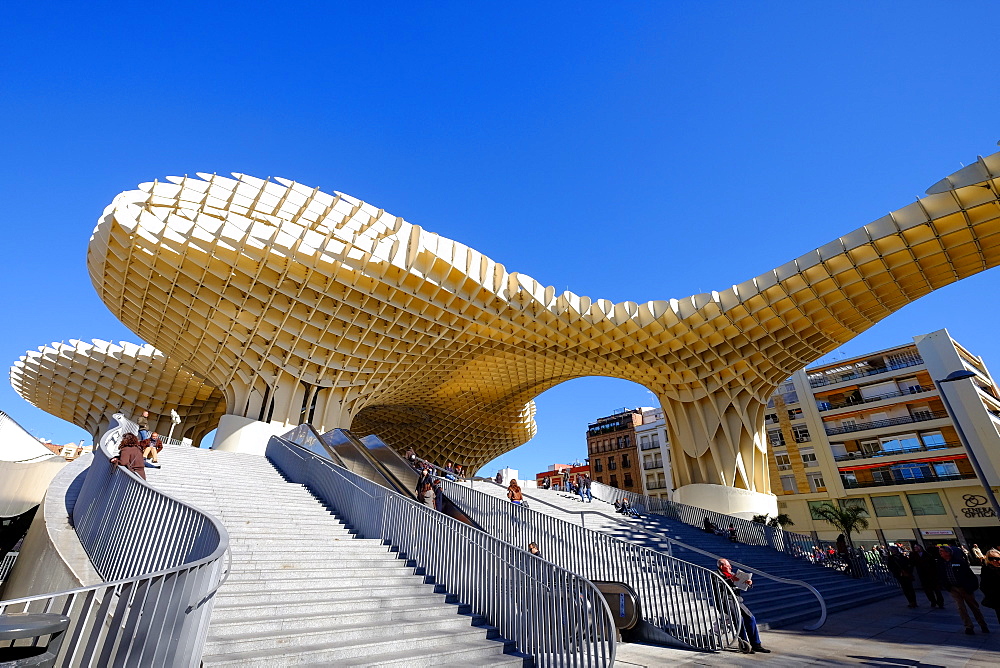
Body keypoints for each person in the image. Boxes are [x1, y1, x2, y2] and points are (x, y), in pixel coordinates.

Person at [717, 558, 771, 654]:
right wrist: (730, 580)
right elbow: (718, 586)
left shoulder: (733, 574)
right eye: (728, 566)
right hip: (726, 601)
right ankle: (744, 643)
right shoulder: (716, 575)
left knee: (751, 618)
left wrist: (748, 583)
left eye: (730, 565)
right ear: (721, 566)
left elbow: (739, 585)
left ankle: (756, 644)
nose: (730, 567)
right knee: (739, 620)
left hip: (738, 600)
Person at [937, 545, 990, 635]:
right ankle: (968, 626)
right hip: (953, 588)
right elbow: (941, 575)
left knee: (974, 607)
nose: (940, 553)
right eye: (940, 551)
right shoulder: (941, 563)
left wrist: (971, 587)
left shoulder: (959, 561)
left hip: (965, 588)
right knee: (960, 608)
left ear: (948, 552)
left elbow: (970, 575)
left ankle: (982, 624)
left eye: (942, 551)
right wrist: (946, 586)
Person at [910, 543, 944, 609]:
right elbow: (912, 564)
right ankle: (932, 601)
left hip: (931, 573)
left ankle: (940, 602)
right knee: (927, 589)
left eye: (917, 547)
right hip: (922, 574)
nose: (916, 549)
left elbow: (933, 563)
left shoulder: (928, 554)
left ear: (920, 547)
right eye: (915, 548)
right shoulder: (914, 555)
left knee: (936, 589)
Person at [980, 548, 1000, 626]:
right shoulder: (986, 569)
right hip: (998, 600)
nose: (994, 560)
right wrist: (992, 595)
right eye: (991, 558)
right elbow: (983, 586)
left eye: (997, 558)